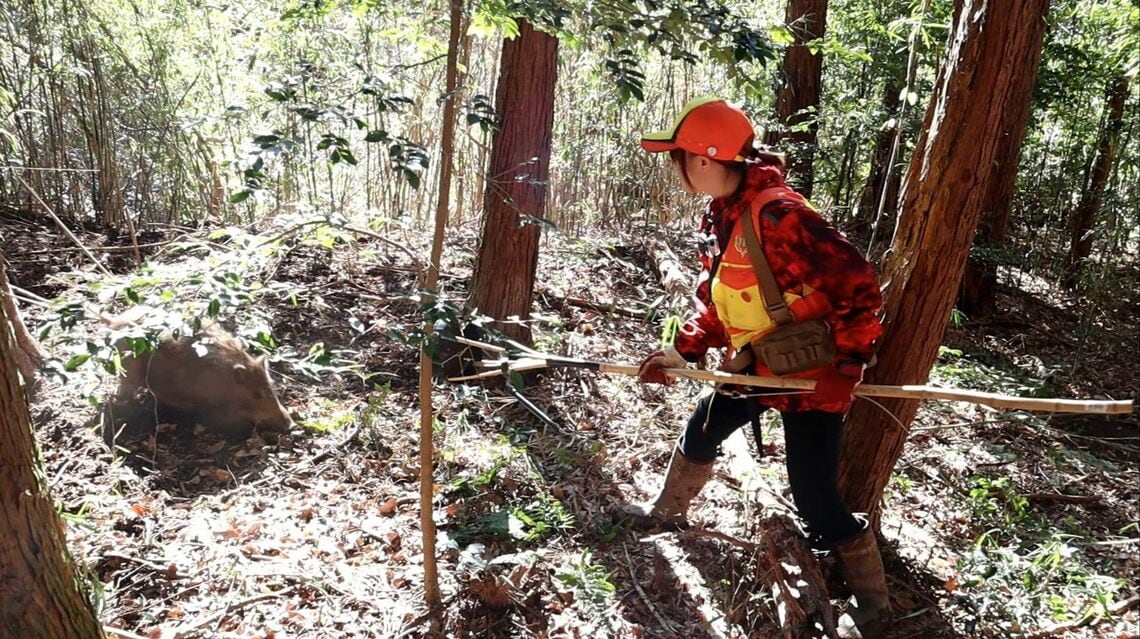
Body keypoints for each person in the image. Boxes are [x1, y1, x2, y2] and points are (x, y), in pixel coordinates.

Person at [624, 96, 890, 638]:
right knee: (701, 430)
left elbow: (860, 287)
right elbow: (722, 296)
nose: (674, 168)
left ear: (703, 159)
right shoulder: (725, 214)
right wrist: (686, 350)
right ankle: (665, 514)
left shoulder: (784, 218)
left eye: (676, 157)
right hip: (754, 369)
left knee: (815, 500)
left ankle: (877, 606)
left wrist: (849, 364)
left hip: (812, 379)